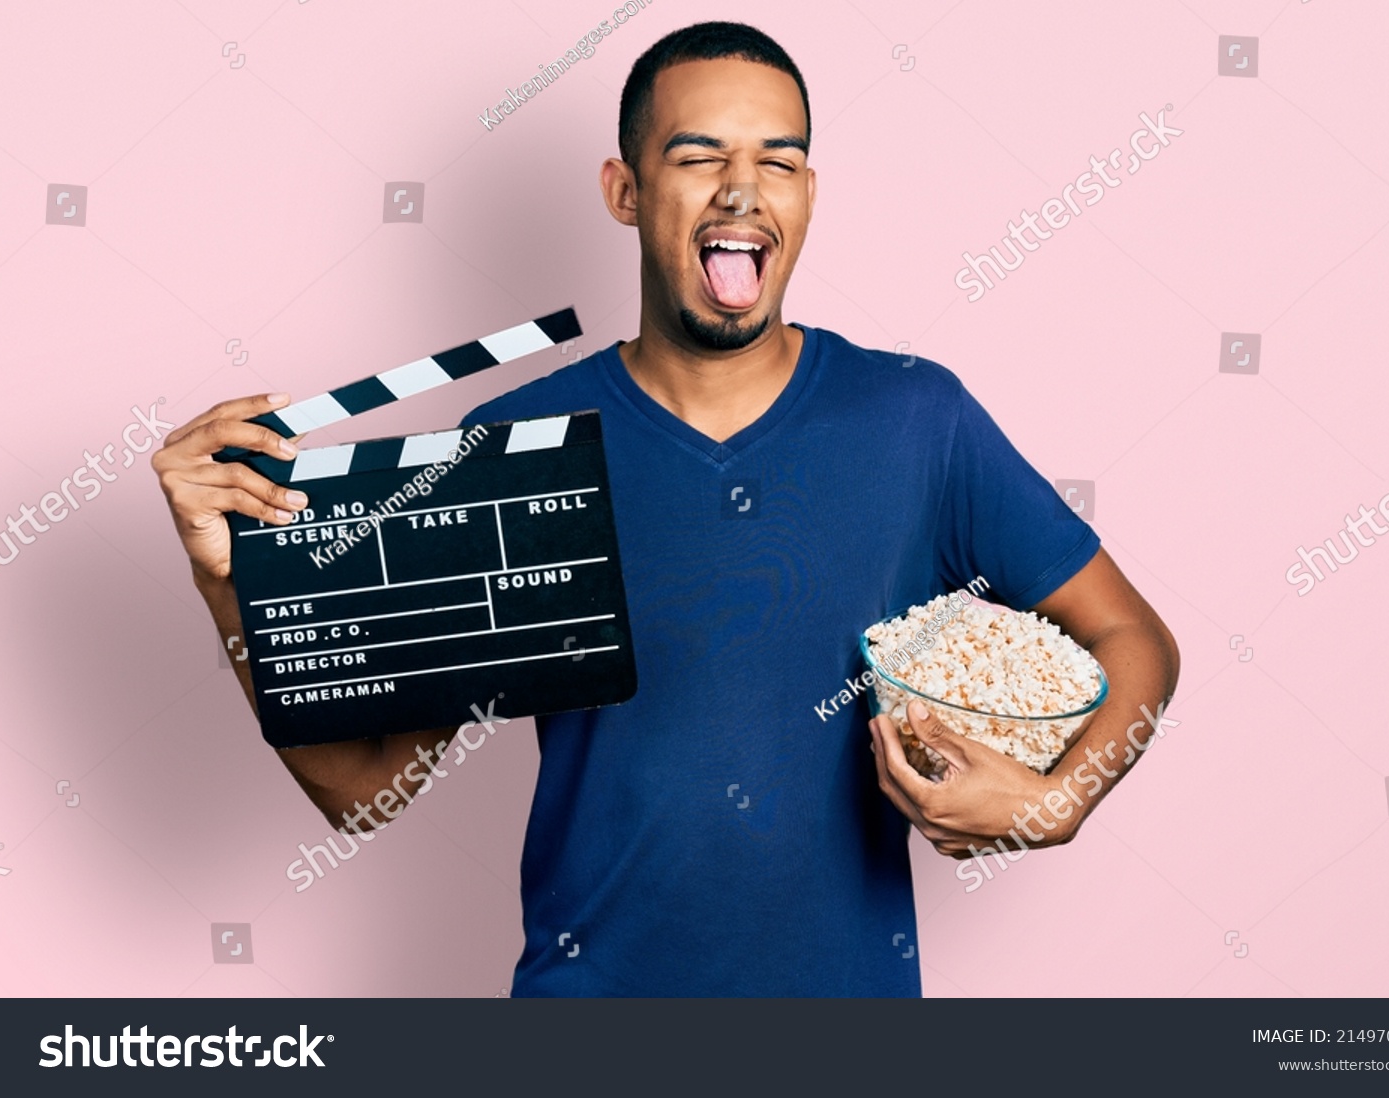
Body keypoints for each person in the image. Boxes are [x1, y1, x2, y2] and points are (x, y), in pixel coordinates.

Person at [153, 21, 1179, 996]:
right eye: (699, 157)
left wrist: (1060, 797)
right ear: (625, 190)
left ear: (810, 197)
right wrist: (229, 585)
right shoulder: (513, 447)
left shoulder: (917, 417)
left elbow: (1133, 636)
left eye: (777, 162)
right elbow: (360, 790)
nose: (742, 190)